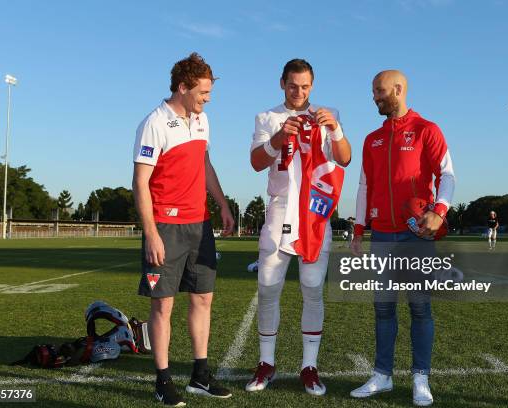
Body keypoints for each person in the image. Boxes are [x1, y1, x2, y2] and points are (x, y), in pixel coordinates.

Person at [132, 53, 234, 407]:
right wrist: (152, 233)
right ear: (182, 87)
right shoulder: (154, 123)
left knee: (203, 298)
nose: (207, 99)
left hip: (200, 225)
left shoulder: (202, 121)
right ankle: (162, 381)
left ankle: (199, 376)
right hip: (166, 227)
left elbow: (205, 163)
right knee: (163, 307)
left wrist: (221, 203)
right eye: (202, 92)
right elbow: (140, 183)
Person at [247, 58, 351, 396]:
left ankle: (309, 367)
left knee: (312, 285)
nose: (299, 92)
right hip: (279, 213)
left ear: (312, 85)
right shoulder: (268, 117)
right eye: (293, 85)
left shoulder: (327, 113)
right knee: (267, 285)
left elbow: (345, 158)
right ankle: (266, 363)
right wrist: (277, 139)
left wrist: (334, 129)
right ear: (282, 83)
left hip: (315, 213)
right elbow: (256, 163)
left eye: (305, 86)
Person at [350, 70, 455, 406]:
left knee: (420, 308)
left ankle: (420, 379)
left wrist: (439, 210)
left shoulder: (427, 130)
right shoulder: (371, 139)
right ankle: (382, 376)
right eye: (373, 92)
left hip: (416, 235)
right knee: (383, 308)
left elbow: (447, 174)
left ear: (398, 89)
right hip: (381, 234)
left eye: (379, 91)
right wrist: (358, 229)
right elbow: (365, 186)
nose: (375, 97)